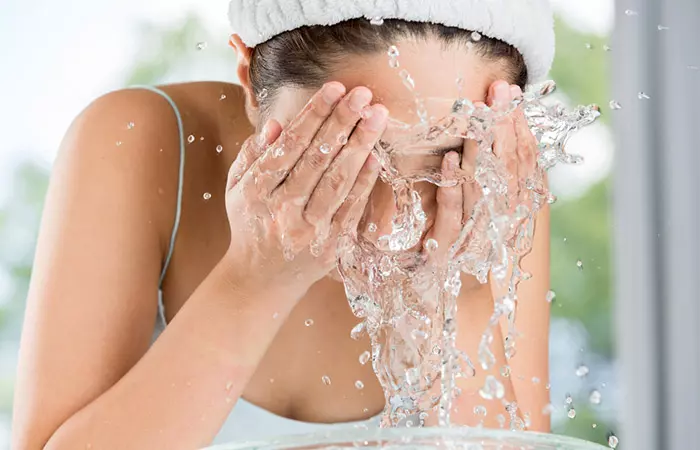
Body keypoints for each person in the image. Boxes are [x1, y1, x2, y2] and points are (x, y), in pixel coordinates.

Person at [12, 0, 555, 448]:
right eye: (344, 149)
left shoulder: (496, 194)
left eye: (444, 161)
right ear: (250, 80)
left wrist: (455, 286)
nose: (391, 221)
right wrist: (253, 279)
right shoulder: (137, 144)